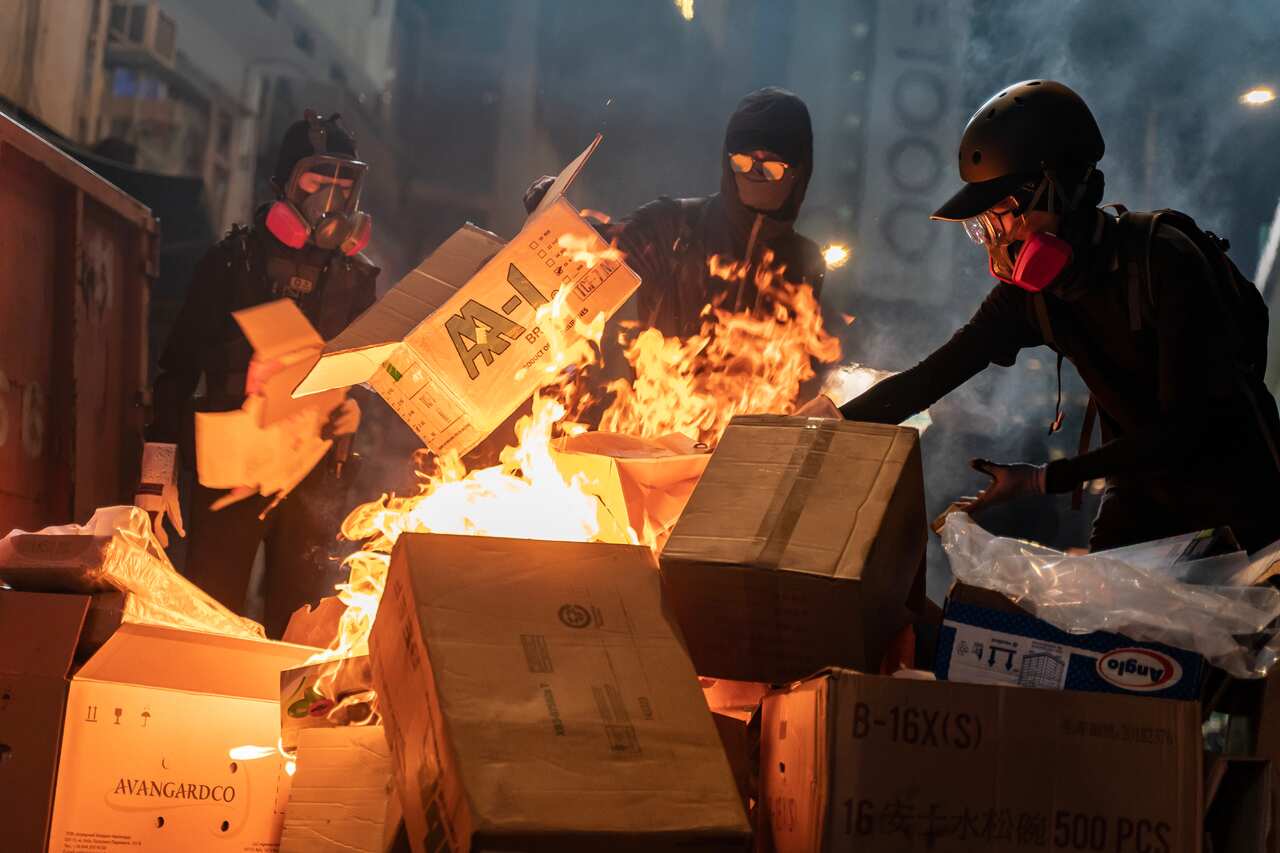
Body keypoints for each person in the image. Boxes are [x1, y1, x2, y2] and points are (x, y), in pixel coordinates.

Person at [802, 80, 1280, 552]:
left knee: (1234, 624)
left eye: (1002, 214)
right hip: (1140, 486)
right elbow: (930, 377)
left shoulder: (1163, 259)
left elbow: (1182, 429)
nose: (995, 239)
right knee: (1098, 622)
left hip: (1238, 486)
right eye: (981, 226)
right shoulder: (1031, 298)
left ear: (1060, 189)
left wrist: (1043, 480)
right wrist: (827, 424)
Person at [139, 111, 378, 636]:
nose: (332, 197)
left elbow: (368, 374)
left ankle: (281, 718)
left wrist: (358, 411)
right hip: (232, 468)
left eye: (345, 182)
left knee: (299, 625)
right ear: (283, 185)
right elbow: (176, 369)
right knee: (210, 615)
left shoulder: (357, 279)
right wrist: (155, 476)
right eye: (318, 180)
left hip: (313, 471)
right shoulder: (234, 262)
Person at [524, 86, 826, 338]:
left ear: (798, 172)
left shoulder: (805, 261)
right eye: (744, 163)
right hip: (665, 401)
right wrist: (557, 219)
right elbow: (599, 253)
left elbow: (804, 361)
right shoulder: (676, 225)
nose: (754, 173)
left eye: (771, 167)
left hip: (757, 408)